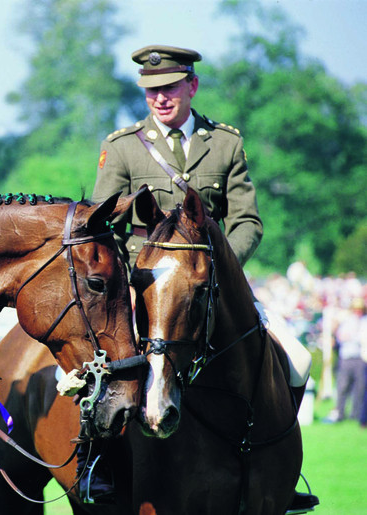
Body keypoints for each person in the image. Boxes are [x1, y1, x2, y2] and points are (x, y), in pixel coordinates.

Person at [82, 45, 317, 512]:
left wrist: (219, 266)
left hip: (212, 286)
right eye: (150, 91)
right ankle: (100, 467)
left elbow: (247, 221)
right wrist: (145, 267)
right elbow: (103, 225)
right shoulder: (123, 147)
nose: (159, 99)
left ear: (191, 85)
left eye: (168, 88)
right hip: (145, 287)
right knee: (100, 370)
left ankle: (279, 471)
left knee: (298, 358)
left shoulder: (224, 143)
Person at [325, 298, 367, 423]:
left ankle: (356, 414)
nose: (357, 312)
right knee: (342, 386)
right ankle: (340, 412)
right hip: (346, 357)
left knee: (360, 388)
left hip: (361, 358)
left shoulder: (364, 322)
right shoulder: (347, 321)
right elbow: (342, 336)